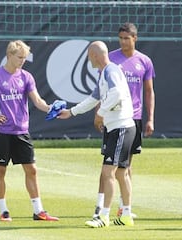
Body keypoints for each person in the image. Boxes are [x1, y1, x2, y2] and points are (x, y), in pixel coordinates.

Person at [0, 40, 59, 222]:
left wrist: (52, 109)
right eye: (19, 57)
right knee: (1, 170)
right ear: (9, 56)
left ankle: (38, 210)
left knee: (31, 169)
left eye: (24, 58)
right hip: (2, 132)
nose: (22, 61)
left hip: (22, 131)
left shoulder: (26, 77)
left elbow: (38, 101)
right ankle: (4, 210)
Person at [58, 41, 136, 228]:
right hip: (119, 127)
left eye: (88, 55)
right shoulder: (103, 74)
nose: (88, 59)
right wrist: (72, 112)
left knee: (108, 172)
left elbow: (117, 93)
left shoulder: (110, 71)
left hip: (121, 128)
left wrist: (101, 114)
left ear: (94, 55)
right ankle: (126, 215)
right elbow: (93, 99)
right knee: (121, 174)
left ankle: (104, 216)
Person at [92, 22, 156, 218]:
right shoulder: (111, 59)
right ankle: (100, 205)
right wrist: (99, 112)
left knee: (126, 166)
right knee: (108, 164)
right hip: (113, 117)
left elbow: (148, 91)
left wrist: (150, 118)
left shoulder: (144, 61)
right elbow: (100, 89)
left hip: (133, 118)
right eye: (120, 38)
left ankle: (123, 206)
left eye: (127, 38)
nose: (123, 42)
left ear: (135, 38)